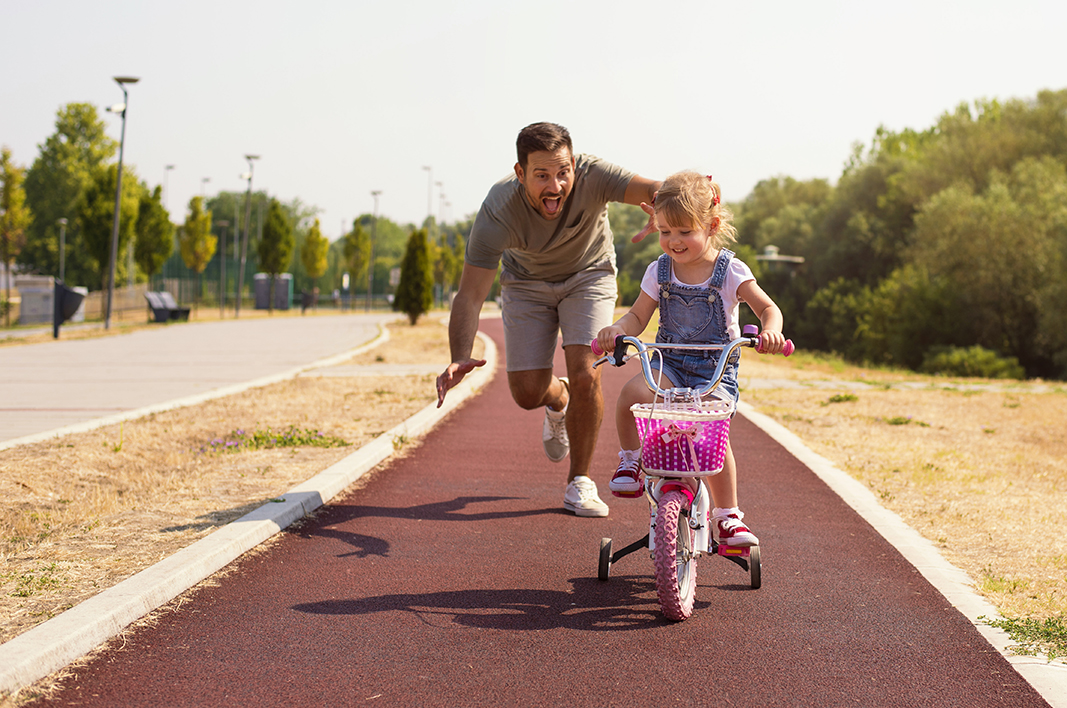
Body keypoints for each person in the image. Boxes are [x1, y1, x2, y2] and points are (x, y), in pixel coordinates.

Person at [436, 122, 661, 518]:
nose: (555, 186)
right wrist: (460, 354)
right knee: (526, 393)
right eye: (541, 175)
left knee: (586, 369)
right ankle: (558, 398)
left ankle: (580, 482)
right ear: (520, 173)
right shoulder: (497, 210)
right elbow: (470, 294)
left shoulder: (594, 175)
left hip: (589, 275)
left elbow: (656, 189)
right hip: (525, 283)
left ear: (574, 164)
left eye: (562, 172)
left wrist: (690, 195)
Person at [594, 171, 786, 545]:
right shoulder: (659, 271)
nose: (673, 241)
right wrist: (618, 329)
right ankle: (631, 461)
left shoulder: (730, 270)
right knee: (631, 395)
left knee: (712, 435)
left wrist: (771, 330)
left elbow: (768, 308)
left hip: (714, 372)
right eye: (665, 232)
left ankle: (727, 516)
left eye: (684, 231)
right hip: (669, 365)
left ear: (711, 226)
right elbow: (638, 316)